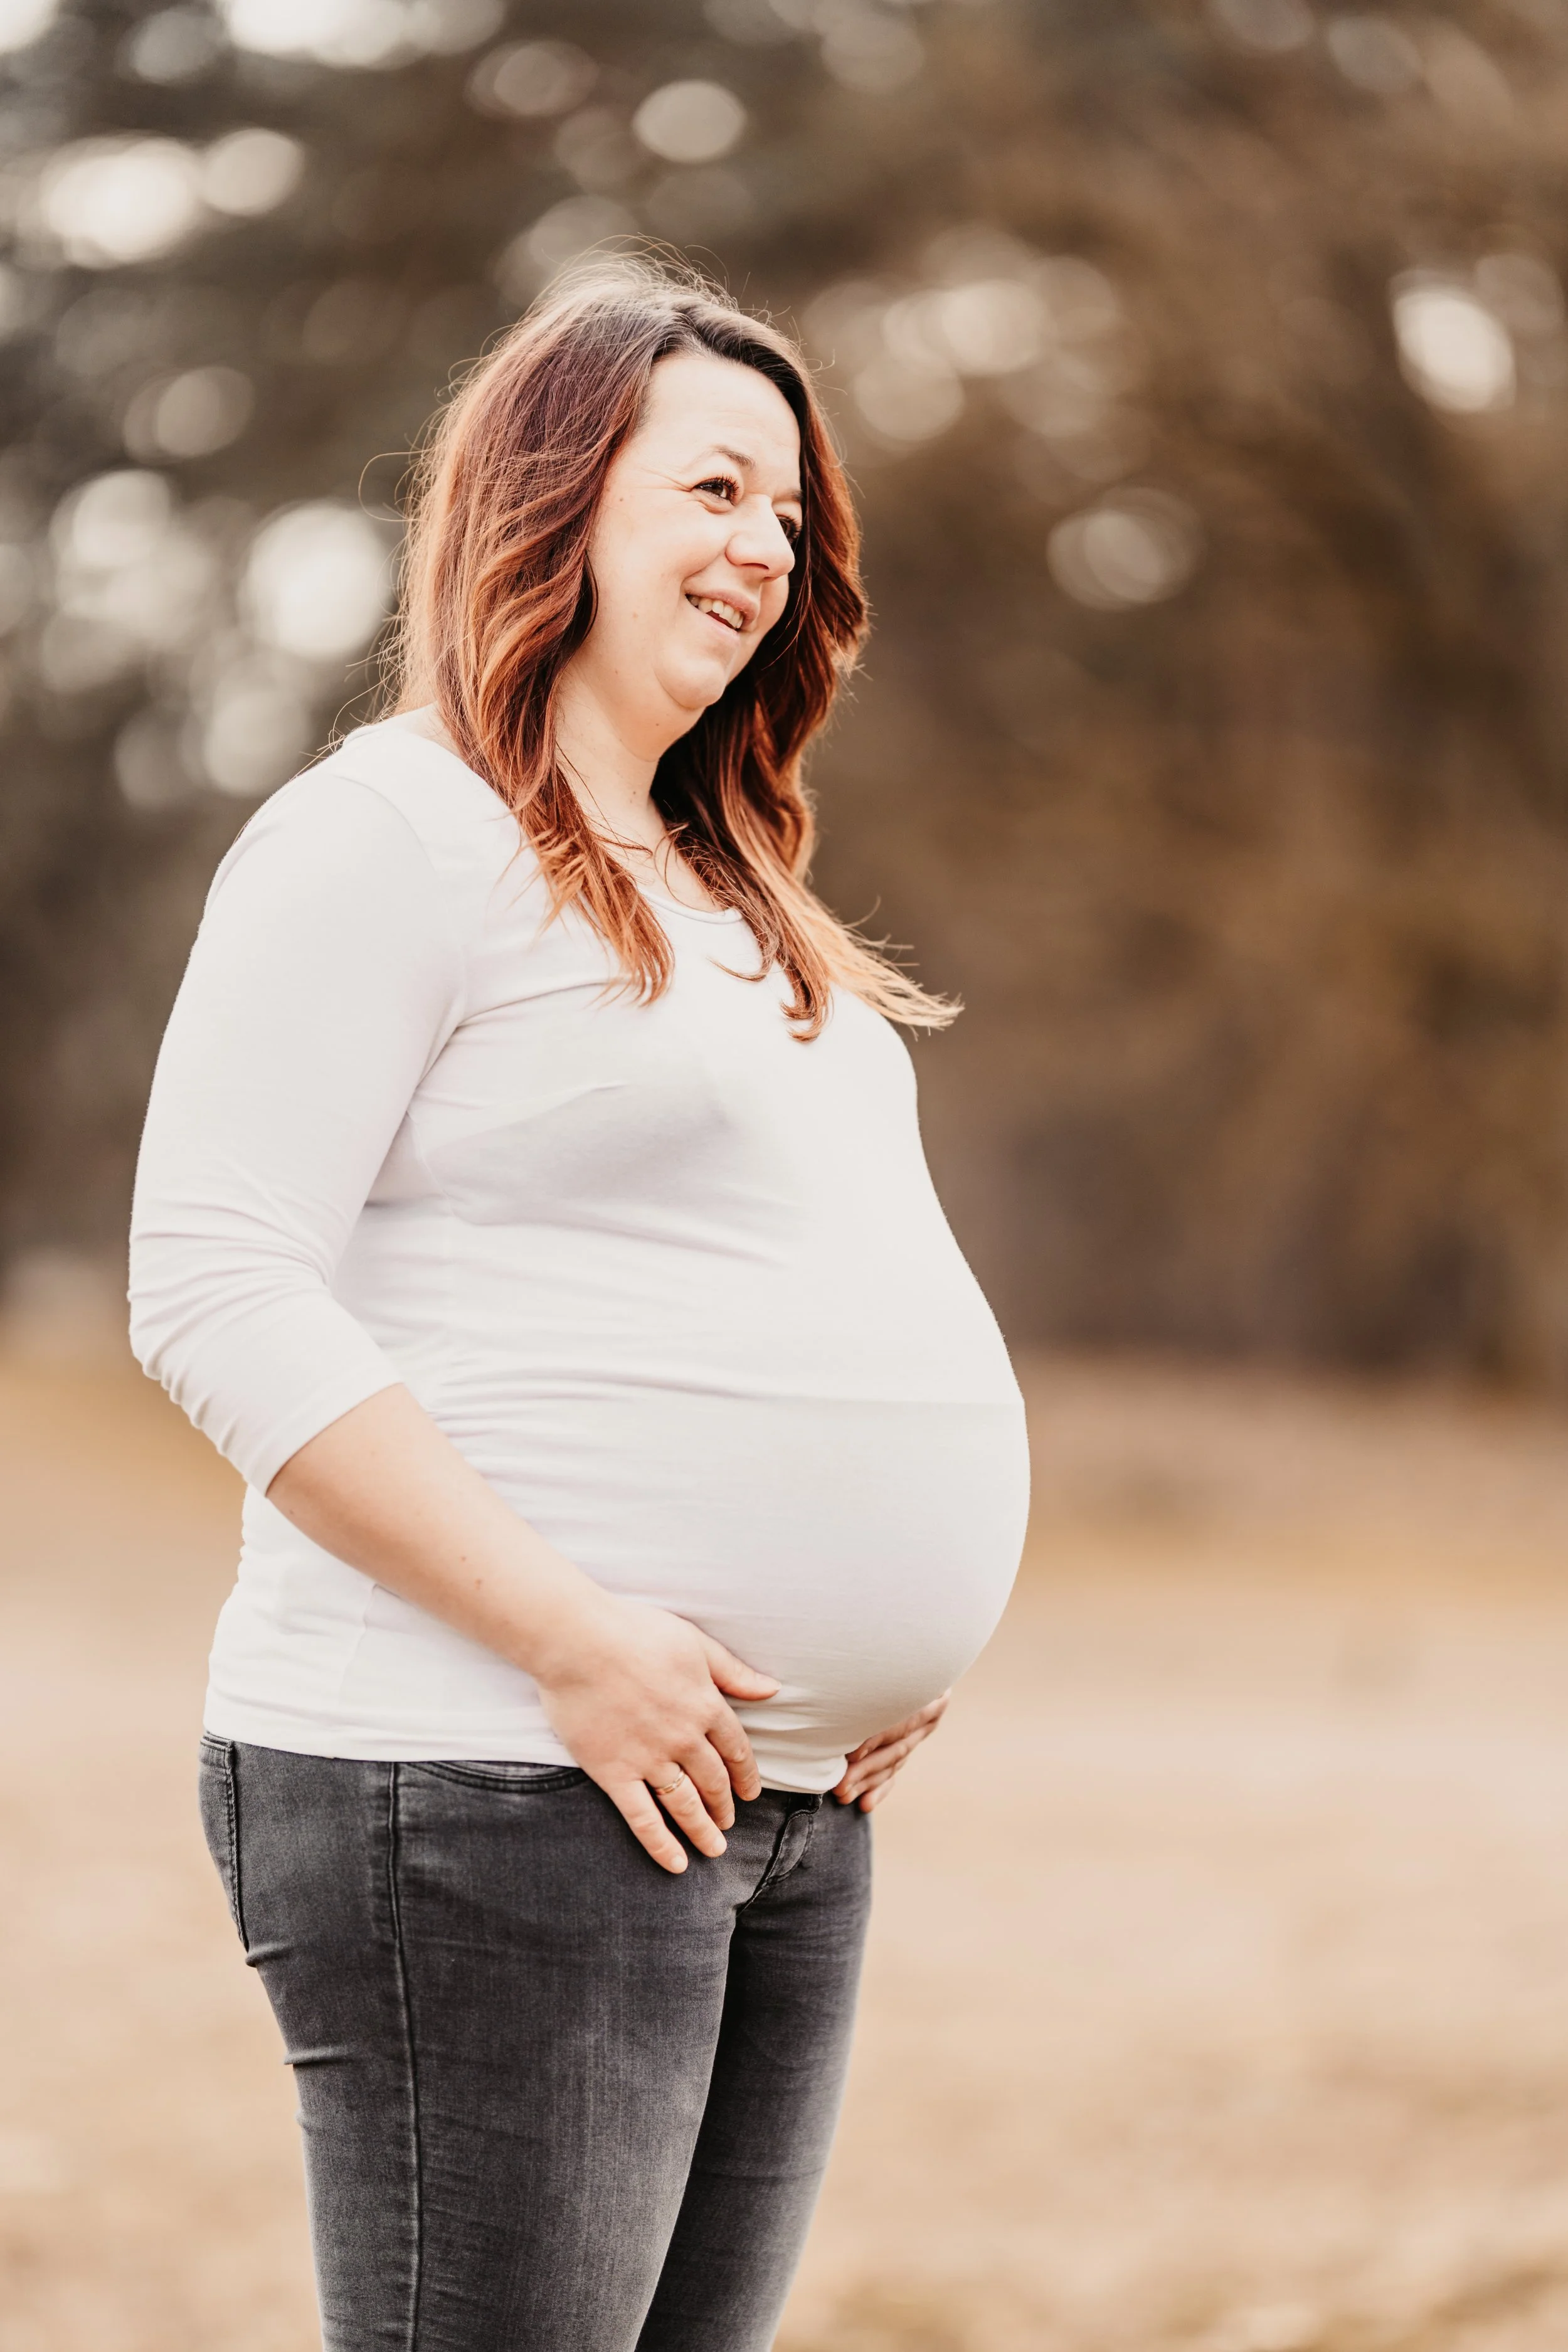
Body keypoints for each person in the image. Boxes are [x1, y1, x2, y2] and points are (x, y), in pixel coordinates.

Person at [129, 262, 1029, 2352]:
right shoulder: (393, 831)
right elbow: (210, 1276)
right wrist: (575, 1636)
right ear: (557, 497)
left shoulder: (727, 884)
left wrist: (882, 1625)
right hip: (494, 1777)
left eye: (790, 518)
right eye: (715, 487)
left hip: (768, 1801)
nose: (762, 550)